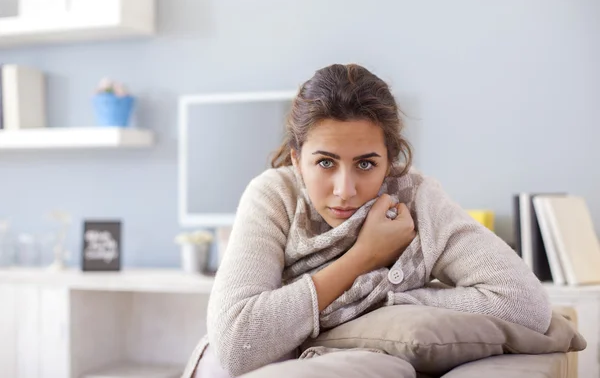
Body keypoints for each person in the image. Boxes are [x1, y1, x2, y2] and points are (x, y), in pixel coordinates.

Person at [183, 64, 552, 378]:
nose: (345, 190)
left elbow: (523, 302)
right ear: (297, 160)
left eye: (366, 164)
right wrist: (364, 256)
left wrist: (387, 304)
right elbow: (236, 344)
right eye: (325, 162)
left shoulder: (416, 198)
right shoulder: (274, 195)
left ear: (389, 162)